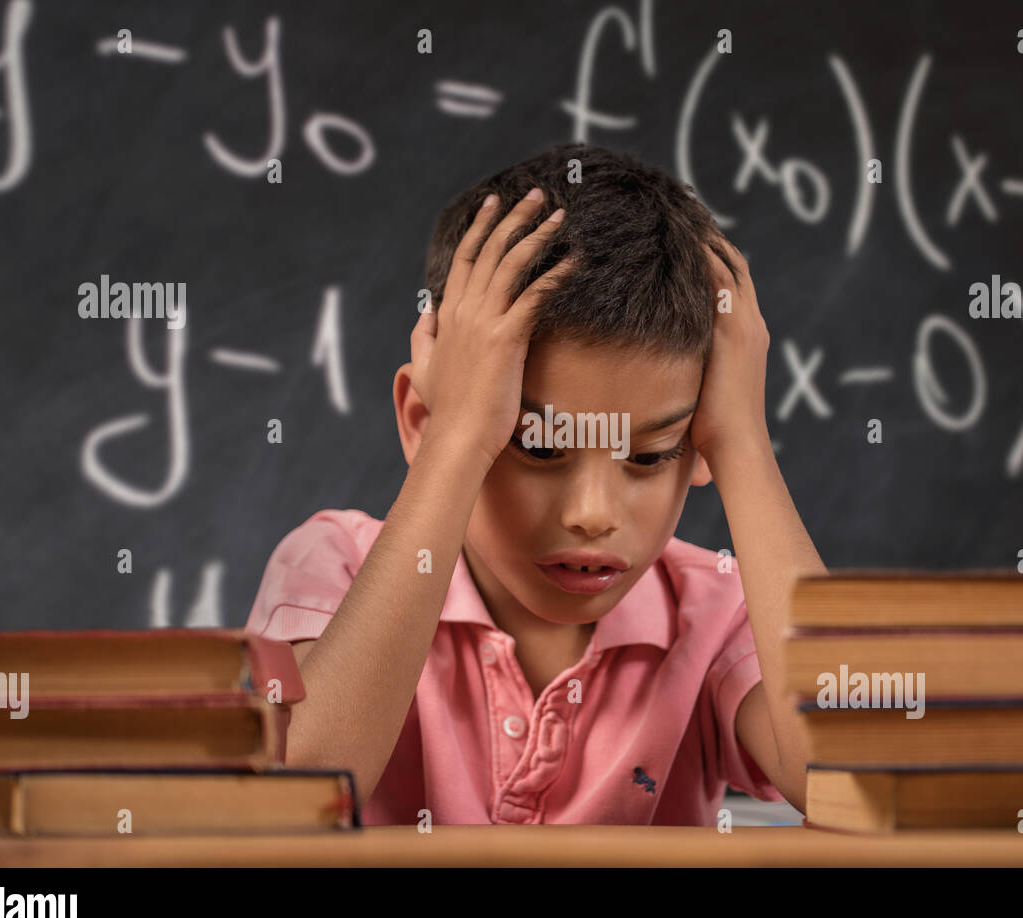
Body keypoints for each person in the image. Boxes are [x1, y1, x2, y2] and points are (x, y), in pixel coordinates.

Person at [244, 143, 826, 825]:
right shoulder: (328, 566)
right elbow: (297, 796)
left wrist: (743, 442)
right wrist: (458, 439)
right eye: (541, 446)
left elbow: (850, 774)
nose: (591, 513)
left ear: (697, 444)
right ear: (421, 422)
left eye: (649, 455)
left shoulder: (723, 609)